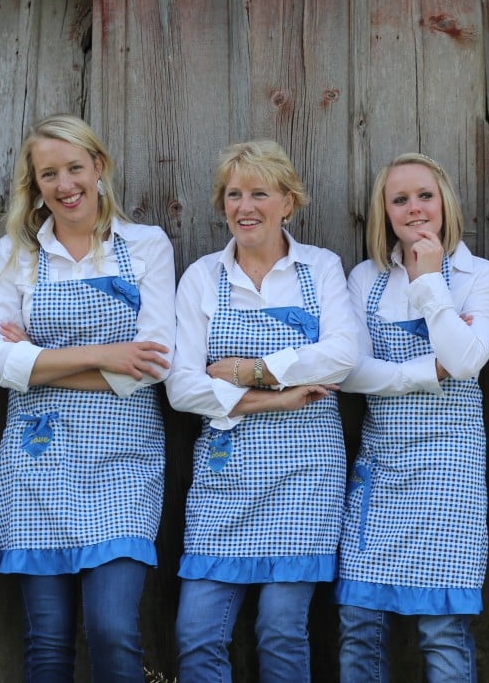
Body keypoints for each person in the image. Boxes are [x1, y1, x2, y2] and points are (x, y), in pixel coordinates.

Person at [0, 113, 175, 683]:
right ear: (34, 185)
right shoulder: (16, 253)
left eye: (74, 168)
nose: (65, 185)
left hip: (123, 461)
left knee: (114, 631)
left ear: (99, 168)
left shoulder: (145, 247)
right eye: (48, 174)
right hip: (38, 466)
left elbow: (151, 364)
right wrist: (104, 355)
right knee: (46, 642)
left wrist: (37, 361)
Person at [166, 139, 357, 683]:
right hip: (224, 477)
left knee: (279, 629)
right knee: (196, 635)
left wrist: (246, 371)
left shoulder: (320, 267)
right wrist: (283, 396)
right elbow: (182, 388)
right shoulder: (203, 276)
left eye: (259, 193)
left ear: (288, 202)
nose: (245, 207)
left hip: (304, 475)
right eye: (233, 194)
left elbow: (342, 355)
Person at [335, 153, 489, 682]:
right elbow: (348, 372)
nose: (414, 209)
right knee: (358, 623)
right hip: (381, 470)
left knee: (443, 631)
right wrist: (424, 371)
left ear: (445, 201)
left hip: (448, 474)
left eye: (424, 196)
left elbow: (465, 360)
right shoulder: (366, 278)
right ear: (383, 212)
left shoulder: (483, 276)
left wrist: (431, 283)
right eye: (400, 199)